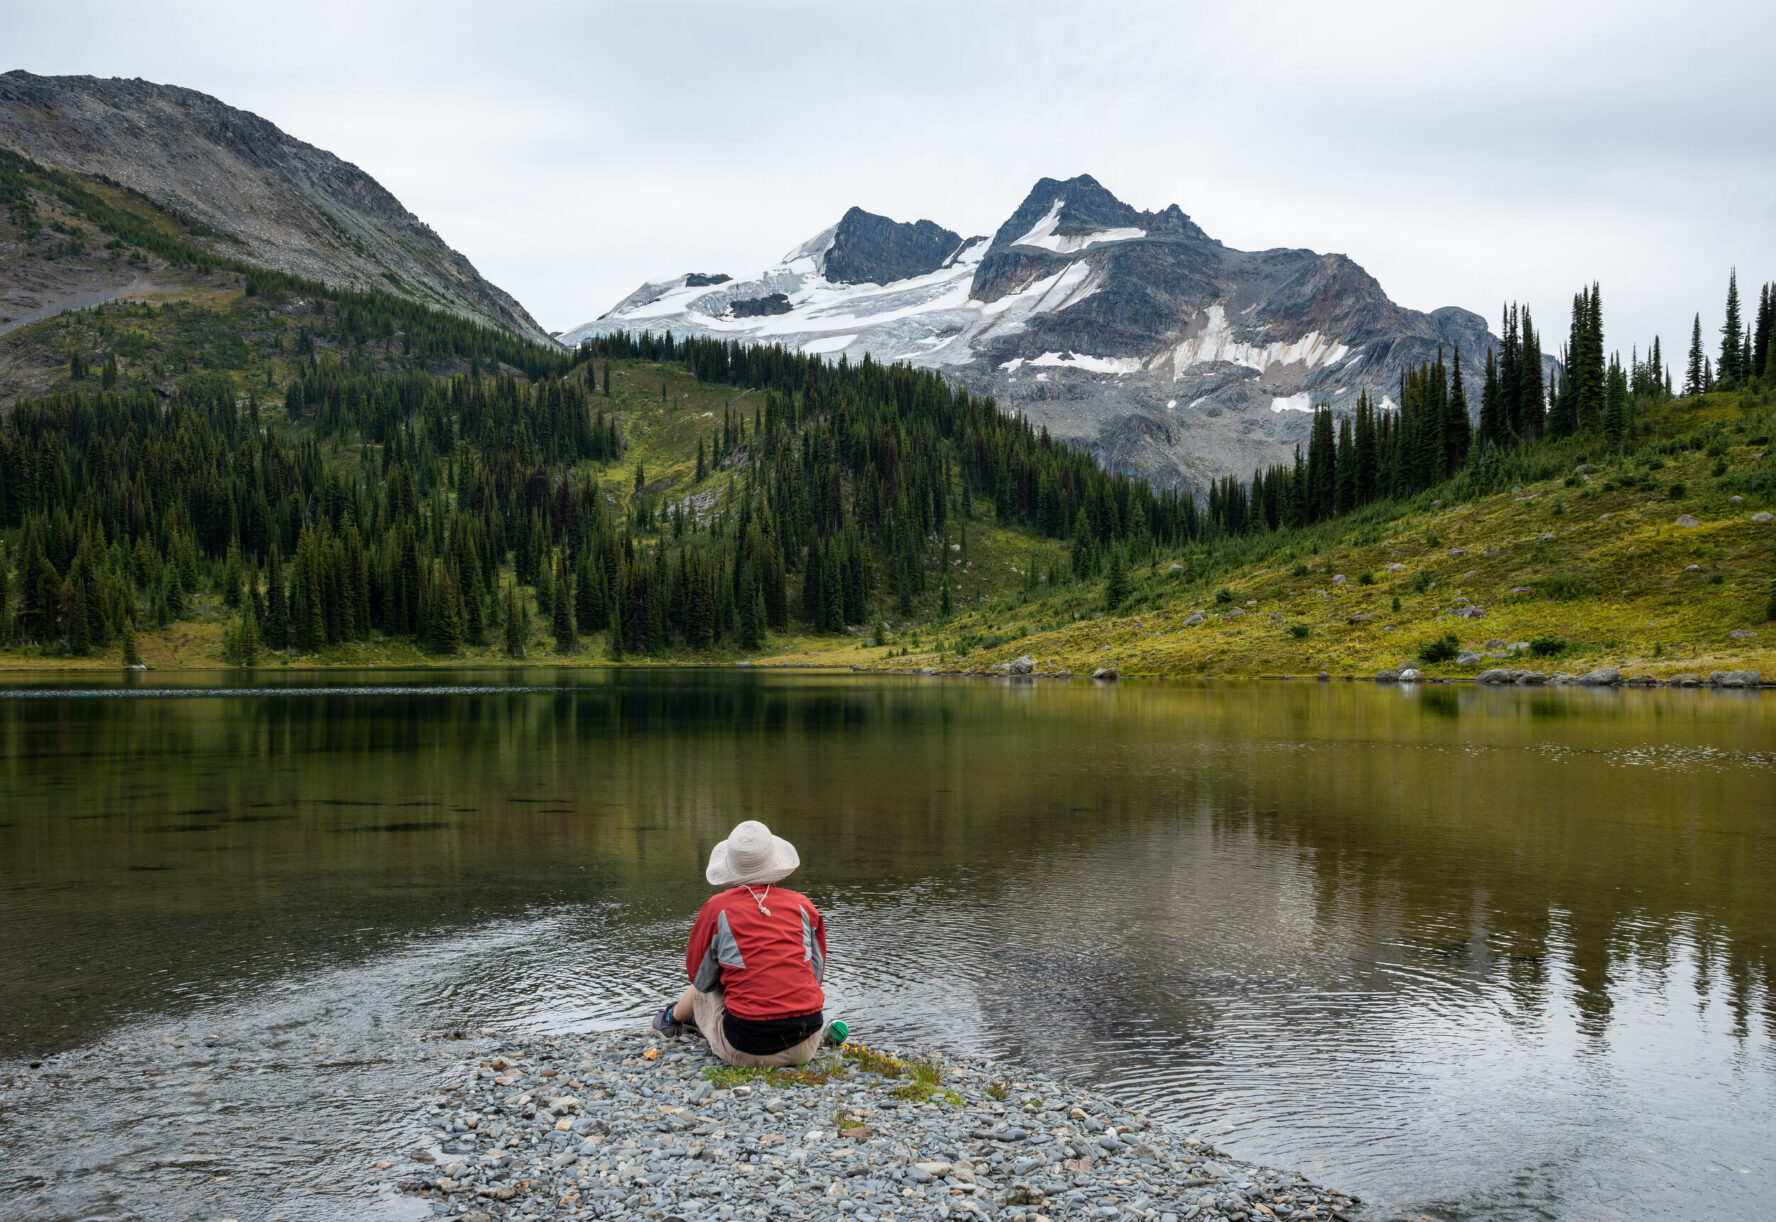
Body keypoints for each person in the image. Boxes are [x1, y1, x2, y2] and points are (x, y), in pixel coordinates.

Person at [652, 819, 828, 1067]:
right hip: (806, 1043)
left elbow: (700, 979)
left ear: (730, 866)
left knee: (705, 989)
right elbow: (815, 974)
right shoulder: (803, 905)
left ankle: (669, 1020)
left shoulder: (717, 908)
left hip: (747, 1049)